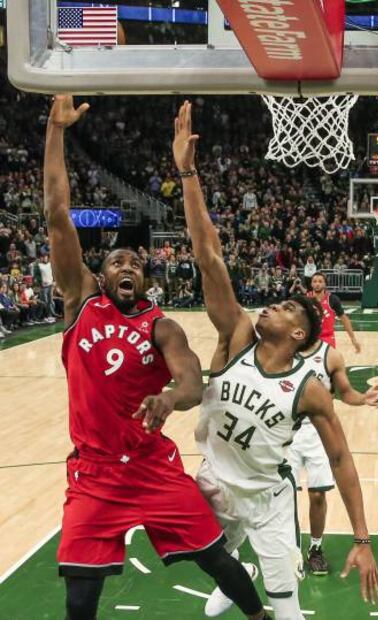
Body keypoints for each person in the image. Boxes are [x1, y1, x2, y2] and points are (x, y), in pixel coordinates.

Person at [45, 96, 271, 620]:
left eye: (136, 262)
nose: (127, 265)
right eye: (117, 260)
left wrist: (169, 397)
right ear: (101, 275)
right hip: (95, 474)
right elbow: (57, 212)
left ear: (146, 279)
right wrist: (55, 132)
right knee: (80, 594)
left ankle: (259, 617)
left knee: (217, 558)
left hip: (152, 467)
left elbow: (193, 382)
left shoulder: (161, 326)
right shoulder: (81, 303)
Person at [173, 101, 378, 620]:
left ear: (298, 333)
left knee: (284, 613)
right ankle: (235, 567)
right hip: (213, 482)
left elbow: (340, 461)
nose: (272, 304)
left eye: (286, 306)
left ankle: (265, 568)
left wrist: (362, 537)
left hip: (266, 501)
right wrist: (187, 174)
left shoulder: (309, 385)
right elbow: (209, 256)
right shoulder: (238, 335)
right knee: (185, 548)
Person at [288, 338, 378, 576]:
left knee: (318, 494)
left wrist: (363, 398)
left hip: (318, 432)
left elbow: (345, 392)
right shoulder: (280, 350)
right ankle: (290, 551)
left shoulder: (330, 356)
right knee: (283, 496)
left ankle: (315, 548)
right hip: (285, 431)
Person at [308, 272, 361, 352]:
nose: (317, 284)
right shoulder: (305, 299)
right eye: (314, 281)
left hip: (327, 337)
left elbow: (344, 319)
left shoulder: (333, 299)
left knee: (328, 363)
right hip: (310, 338)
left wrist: (353, 338)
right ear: (311, 284)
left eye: (320, 281)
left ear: (325, 284)